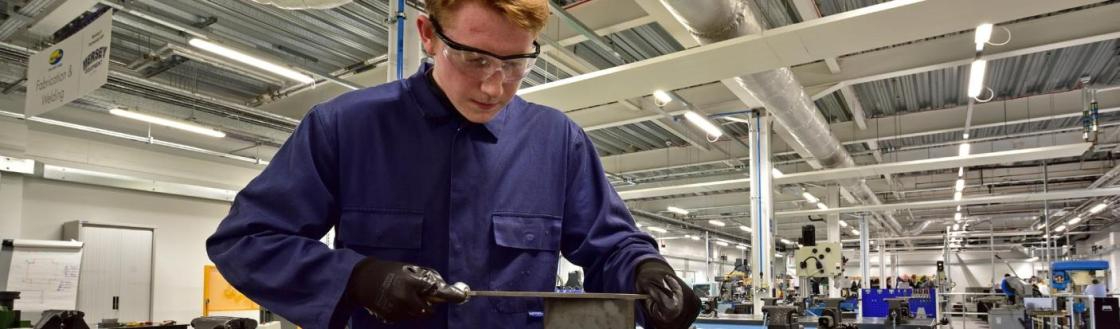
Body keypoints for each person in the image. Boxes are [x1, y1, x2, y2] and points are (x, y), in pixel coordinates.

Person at [204, 1, 700, 328]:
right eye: (475, 59)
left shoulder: (557, 141)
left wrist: (645, 270)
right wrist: (357, 277)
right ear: (428, 34)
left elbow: (609, 245)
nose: (494, 86)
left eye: (516, 65)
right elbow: (247, 242)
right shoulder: (344, 128)